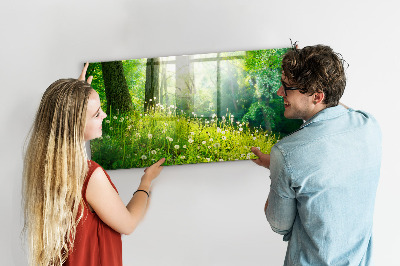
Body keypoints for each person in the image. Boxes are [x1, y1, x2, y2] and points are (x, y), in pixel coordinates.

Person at [22, 63, 165, 266]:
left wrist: (76, 95)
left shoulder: (45, 167)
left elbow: (64, 118)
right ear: (75, 124)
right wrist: (146, 182)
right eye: (97, 114)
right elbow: (128, 223)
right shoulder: (89, 175)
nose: (104, 116)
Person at [251, 44, 382, 265]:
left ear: (317, 95)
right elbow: (335, 110)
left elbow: (279, 224)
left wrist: (278, 169)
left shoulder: (286, 153)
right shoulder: (369, 125)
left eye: (287, 87)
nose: (279, 92)